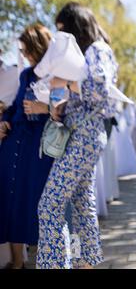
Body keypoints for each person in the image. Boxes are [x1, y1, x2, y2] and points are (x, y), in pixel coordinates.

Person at [36, 2, 118, 269]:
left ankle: (56, 265)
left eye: (64, 29)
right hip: (80, 135)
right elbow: (76, 93)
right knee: (83, 206)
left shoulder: (98, 49)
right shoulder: (88, 53)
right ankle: (86, 264)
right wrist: (56, 105)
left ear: (77, 27)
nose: (61, 36)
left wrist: (66, 83)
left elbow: (100, 90)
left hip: (84, 137)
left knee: (49, 206)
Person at [0, 24, 54, 269]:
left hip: (38, 150)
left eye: (26, 50)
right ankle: (17, 261)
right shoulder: (25, 75)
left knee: (33, 203)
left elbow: (69, 111)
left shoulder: (55, 73)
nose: (23, 55)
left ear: (37, 47)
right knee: (9, 201)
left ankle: (41, 260)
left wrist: (45, 109)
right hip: (15, 145)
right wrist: (3, 122)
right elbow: (14, 107)